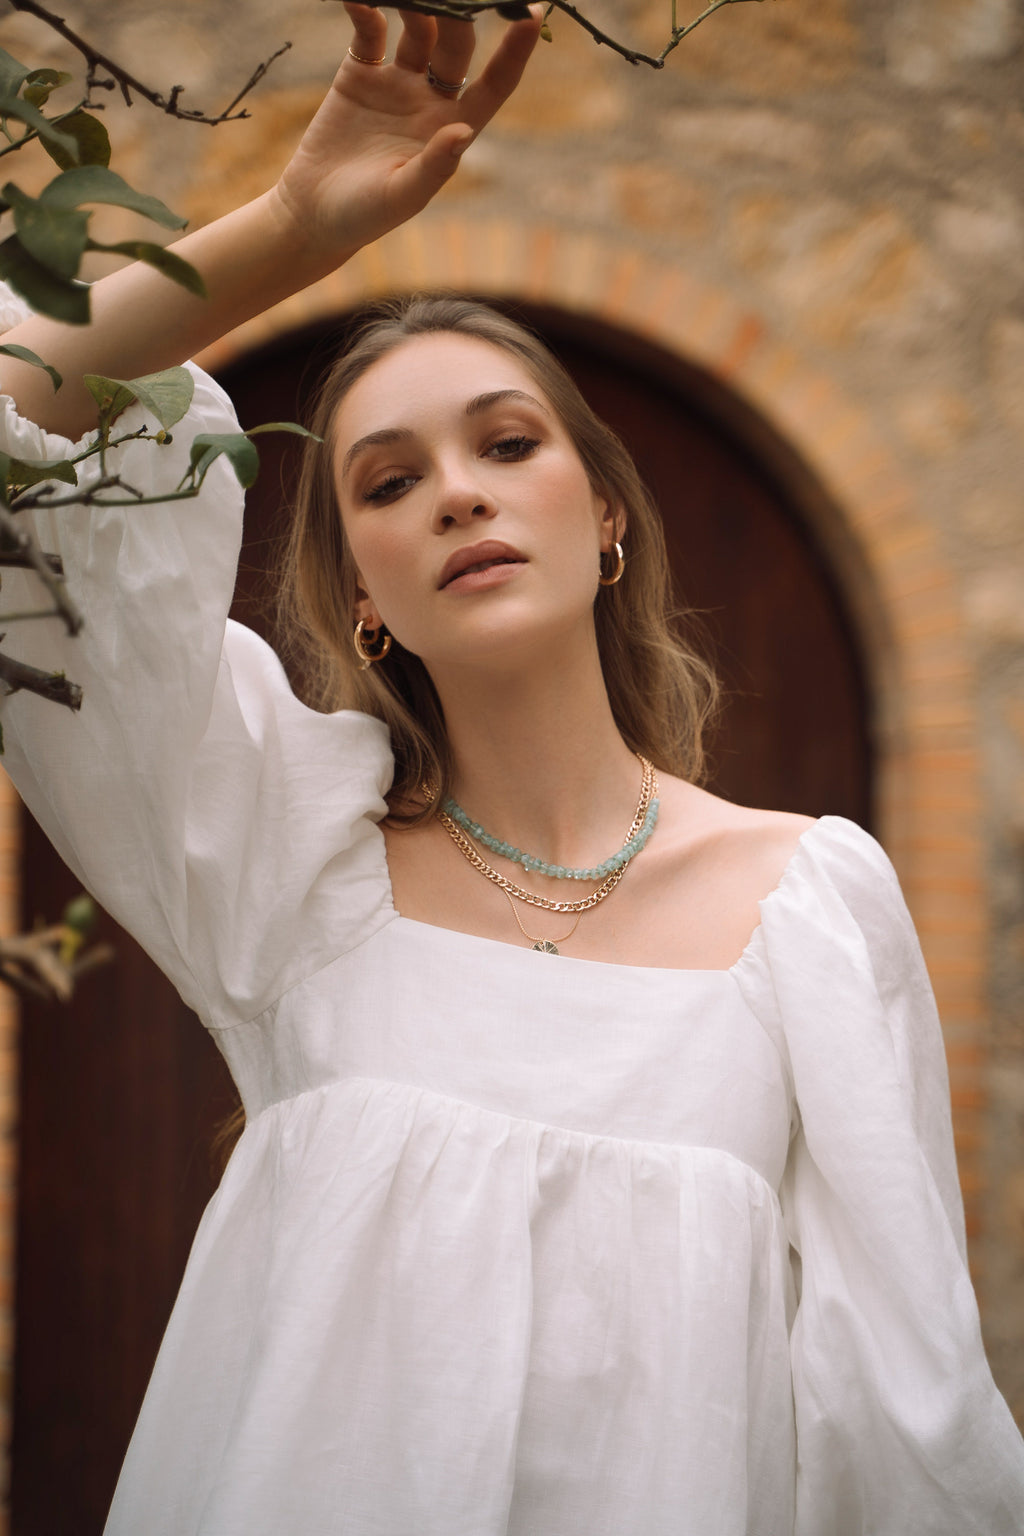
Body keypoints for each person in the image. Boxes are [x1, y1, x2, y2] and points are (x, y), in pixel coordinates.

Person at [2, 6, 1023, 1532]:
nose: (458, 497)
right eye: (392, 482)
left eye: (506, 445)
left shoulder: (809, 910)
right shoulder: (289, 864)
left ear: (608, 517)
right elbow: (23, 433)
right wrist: (293, 226)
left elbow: (902, 1420)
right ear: (363, 593)